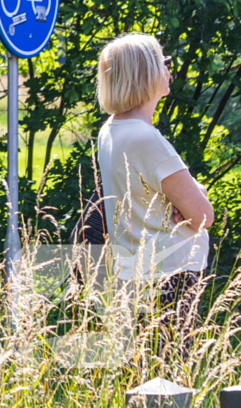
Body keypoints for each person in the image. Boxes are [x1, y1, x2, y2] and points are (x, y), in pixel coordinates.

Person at [95, 33, 213, 350]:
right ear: (145, 73)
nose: (169, 69)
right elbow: (203, 215)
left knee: (145, 377)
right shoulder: (146, 139)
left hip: (135, 271)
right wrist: (189, 201)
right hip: (171, 274)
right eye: (164, 62)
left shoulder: (111, 130)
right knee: (172, 377)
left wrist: (184, 198)